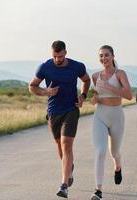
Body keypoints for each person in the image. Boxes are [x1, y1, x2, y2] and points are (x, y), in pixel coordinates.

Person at [29, 40, 91, 198]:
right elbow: (32, 86)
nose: (57, 59)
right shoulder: (45, 67)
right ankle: (69, 169)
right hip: (53, 111)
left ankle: (64, 185)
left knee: (66, 144)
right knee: (59, 145)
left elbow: (86, 80)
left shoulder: (77, 66)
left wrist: (83, 96)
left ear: (66, 53)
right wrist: (46, 92)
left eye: (60, 56)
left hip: (71, 109)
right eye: (55, 56)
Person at [90, 45, 132, 200]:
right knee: (100, 151)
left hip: (116, 116)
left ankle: (118, 166)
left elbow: (128, 95)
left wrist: (109, 87)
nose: (103, 58)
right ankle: (98, 190)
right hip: (100, 115)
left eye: (106, 55)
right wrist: (93, 99)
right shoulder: (95, 76)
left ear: (113, 56)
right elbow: (94, 98)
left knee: (114, 152)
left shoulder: (120, 74)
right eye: (101, 55)